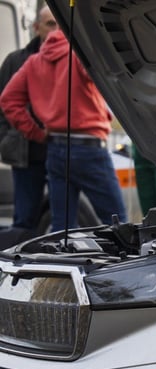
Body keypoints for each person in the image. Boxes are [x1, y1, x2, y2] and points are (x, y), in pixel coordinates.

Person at [1, 28, 127, 232]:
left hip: (55, 149)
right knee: (119, 222)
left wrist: (35, 133)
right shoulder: (78, 54)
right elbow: (102, 76)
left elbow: (8, 99)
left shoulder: (34, 62)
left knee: (62, 228)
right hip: (89, 148)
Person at [0, 6, 58, 237]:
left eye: (59, 24)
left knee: (64, 220)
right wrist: (6, 139)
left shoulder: (69, 59)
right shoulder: (16, 60)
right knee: (24, 221)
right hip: (26, 154)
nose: (56, 30)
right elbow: (3, 103)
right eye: (50, 24)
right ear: (36, 28)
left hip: (60, 152)